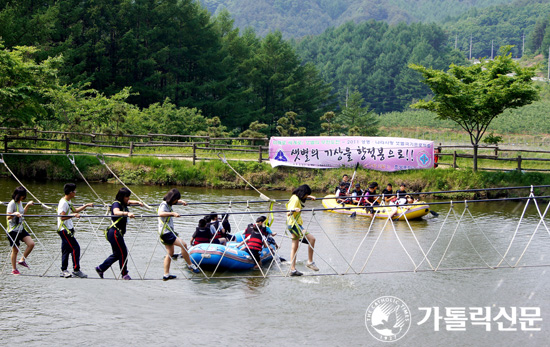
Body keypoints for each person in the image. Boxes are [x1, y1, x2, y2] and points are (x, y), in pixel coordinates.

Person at [95, 188, 143, 280]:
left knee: (117, 254)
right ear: (122, 197)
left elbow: (129, 202)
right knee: (123, 253)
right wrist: (127, 213)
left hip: (117, 233)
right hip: (114, 233)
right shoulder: (116, 204)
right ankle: (124, 274)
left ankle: (101, 268)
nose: (128, 198)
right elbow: (116, 212)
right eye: (127, 197)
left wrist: (138, 202)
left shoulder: (123, 203)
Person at [158, 188, 200, 281]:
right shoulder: (164, 205)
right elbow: (160, 213)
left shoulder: (168, 203)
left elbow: (175, 202)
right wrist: (173, 213)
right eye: (176, 200)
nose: (176, 201)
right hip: (166, 233)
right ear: (172, 198)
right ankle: (190, 265)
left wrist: (182, 202)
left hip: (165, 232)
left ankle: (166, 275)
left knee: (170, 253)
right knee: (184, 245)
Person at [57, 183, 94, 278]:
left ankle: (64, 270)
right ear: (70, 192)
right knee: (75, 247)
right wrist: (73, 216)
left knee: (66, 250)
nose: (75, 192)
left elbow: (75, 211)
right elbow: (62, 217)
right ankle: (76, 270)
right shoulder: (63, 203)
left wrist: (86, 205)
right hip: (64, 230)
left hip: (68, 229)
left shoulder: (68, 201)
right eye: (74, 191)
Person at [286, 184, 318, 276]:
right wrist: (294, 210)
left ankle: (292, 270)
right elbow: (288, 212)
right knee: (312, 239)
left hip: (292, 224)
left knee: (294, 247)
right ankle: (310, 262)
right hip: (294, 224)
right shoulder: (295, 199)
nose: (305, 197)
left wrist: (309, 196)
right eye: (306, 194)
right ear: (303, 193)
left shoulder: (295, 197)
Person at [6, 187, 35, 275]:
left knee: (31, 244)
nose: (23, 197)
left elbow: (22, 213)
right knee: (15, 250)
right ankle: (14, 269)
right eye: (22, 196)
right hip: (13, 230)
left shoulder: (20, 203)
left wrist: (27, 205)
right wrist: (14, 214)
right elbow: (8, 216)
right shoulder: (12, 203)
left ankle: (22, 260)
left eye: (24, 196)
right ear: (18, 195)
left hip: (21, 228)